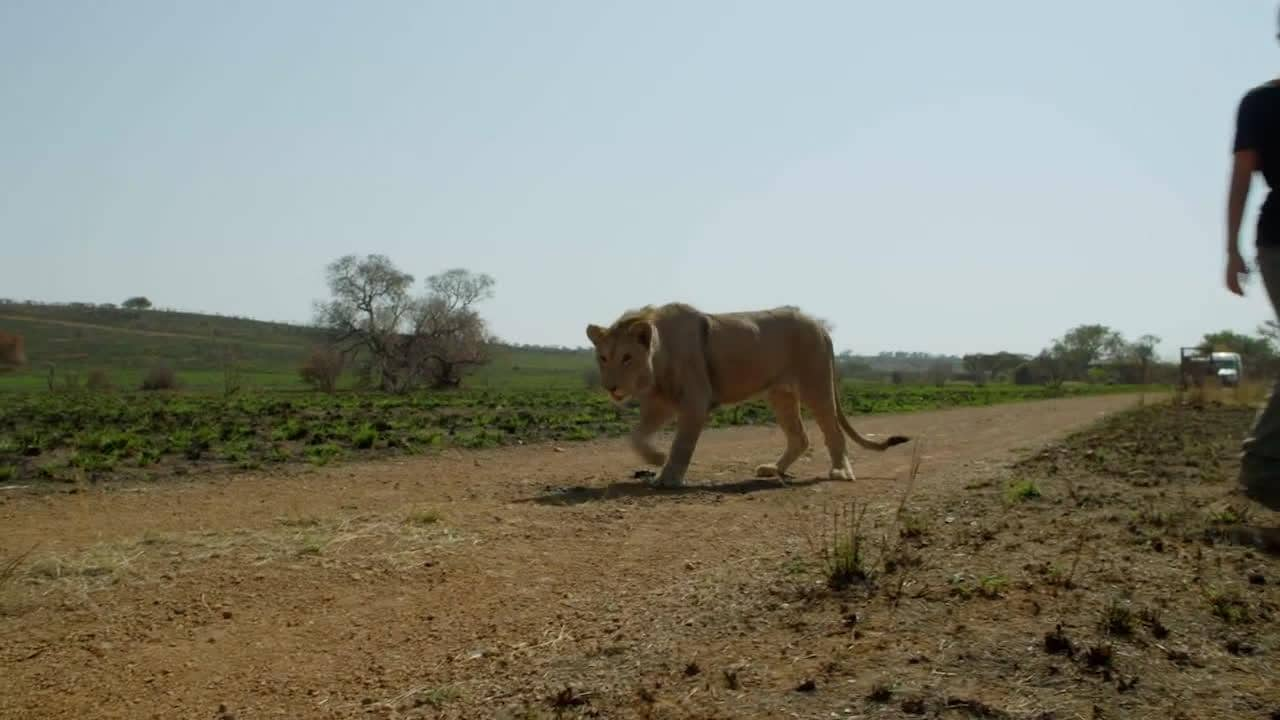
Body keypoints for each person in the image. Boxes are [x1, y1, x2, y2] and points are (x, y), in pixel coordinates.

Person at [1227, 43, 1280, 512]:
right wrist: (1231, 248)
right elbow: (1242, 176)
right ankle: (1263, 469)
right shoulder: (1261, 102)